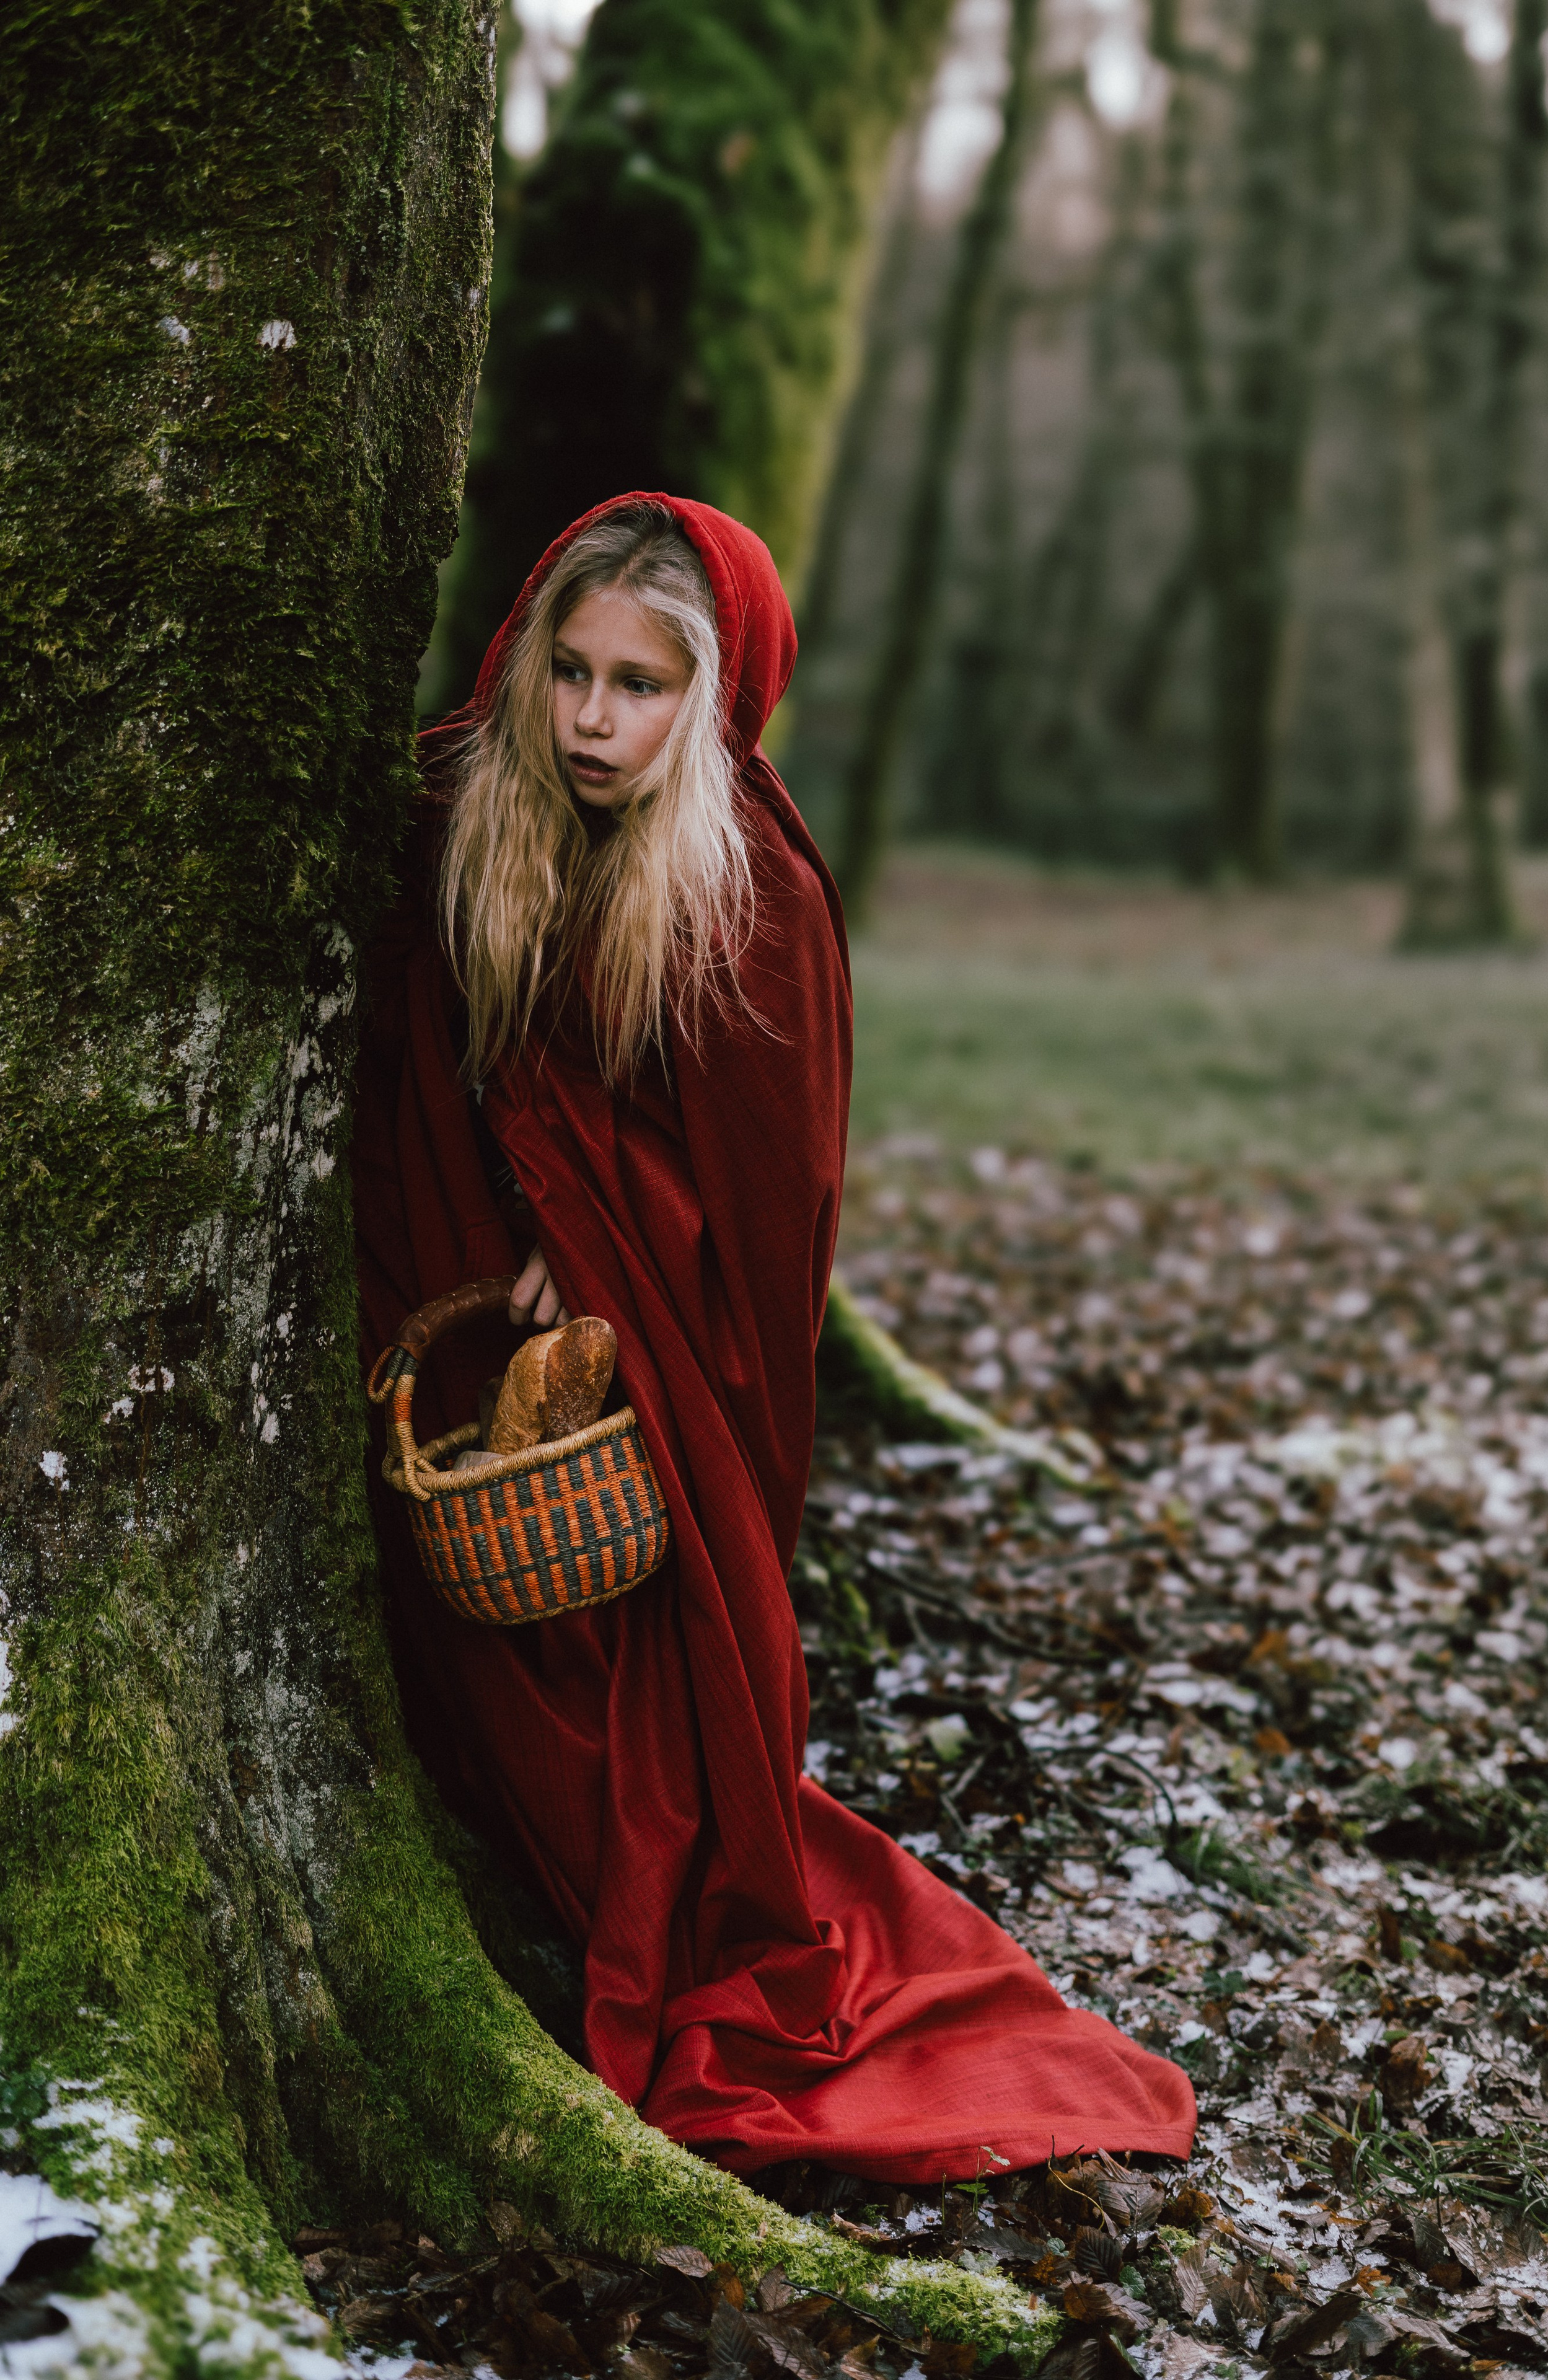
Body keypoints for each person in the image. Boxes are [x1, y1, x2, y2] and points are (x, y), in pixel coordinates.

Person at [353, 492, 1195, 2181]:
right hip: (481, 1342)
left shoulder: (755, 893)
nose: (594, 721)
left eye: (643, 686)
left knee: (664, 1699)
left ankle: (653, 1914)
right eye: (571, 675)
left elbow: (760, 1197)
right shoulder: (475, 814)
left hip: (656, 1367)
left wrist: (592, 1250)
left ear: (717, 698)